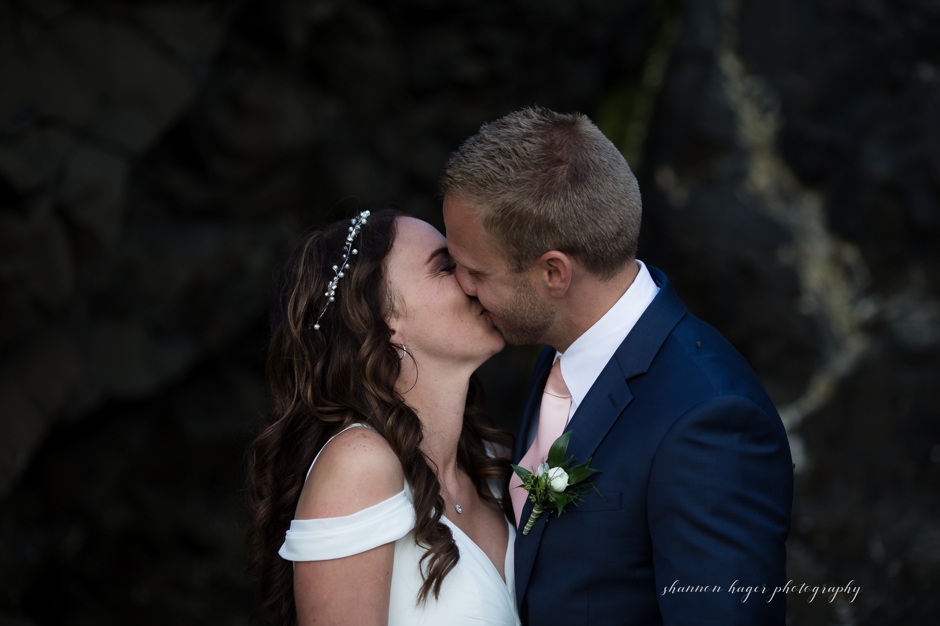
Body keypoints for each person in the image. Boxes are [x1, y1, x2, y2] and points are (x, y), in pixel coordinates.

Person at [440, 106, 794, 625]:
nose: (461, 288)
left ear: (553, 273)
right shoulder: (558, 351)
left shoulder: (710, 424)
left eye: (475, 271)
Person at [246, 209, 521, 626]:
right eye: (447, 266)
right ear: (384, 320)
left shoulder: (494, 462)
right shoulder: (360, 466)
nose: (473, 278)